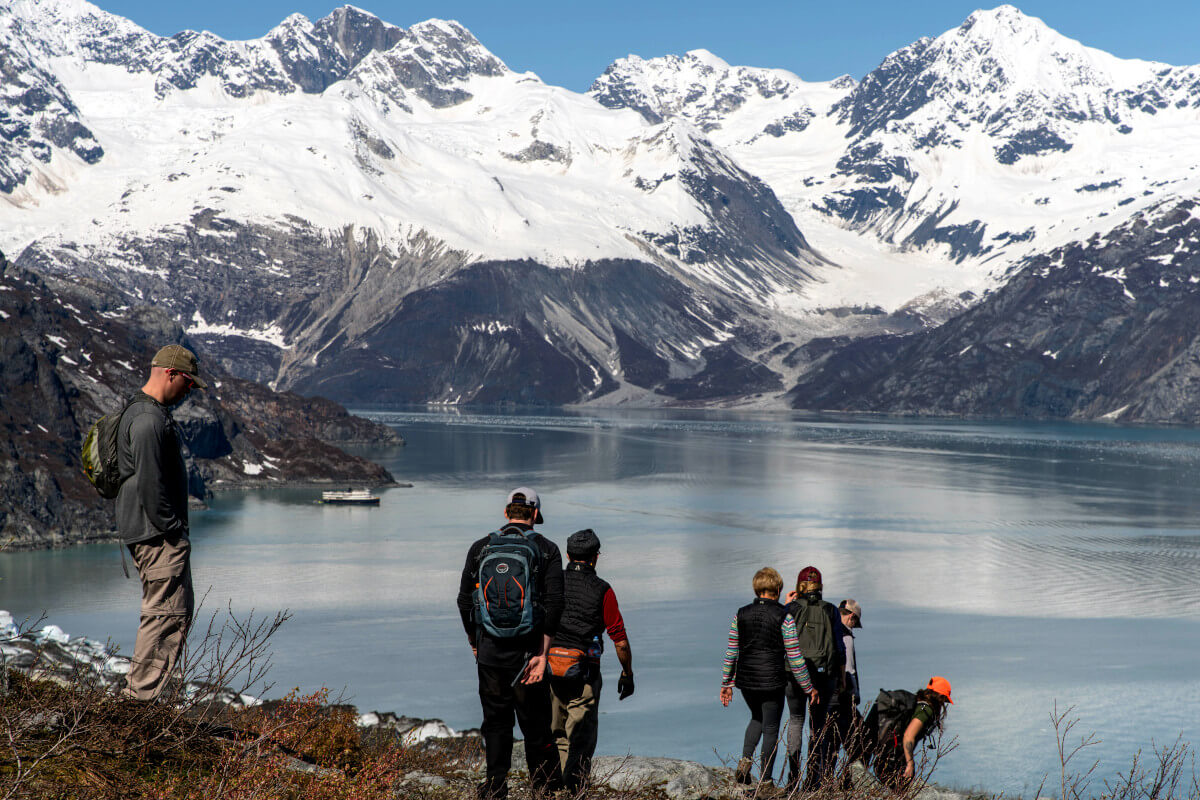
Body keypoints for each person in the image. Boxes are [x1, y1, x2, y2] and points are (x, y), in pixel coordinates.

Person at [457, 487, 565, 800]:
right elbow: (556, 604)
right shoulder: (547, 550)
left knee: (496, 722)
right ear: (534, 515)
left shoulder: (481, 547)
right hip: (528, 655)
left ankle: (495, 787)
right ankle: (544, 790)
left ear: (506, 513)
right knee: (536, 725)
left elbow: (465, 600)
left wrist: (474, 641)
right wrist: (543, 654)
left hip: (490, 653)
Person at [117, 344, 205, 700]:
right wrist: (173, 532)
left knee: (166, 614)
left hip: (147, 532)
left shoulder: (140, 411)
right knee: (166, 615)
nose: (189, 390)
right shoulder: (149, 421)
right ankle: (141, 704)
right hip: (158, 536)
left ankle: (142, 698)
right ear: (170, 373)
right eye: (187, 382)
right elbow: (152, 483)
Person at [547, 529, 635, 794]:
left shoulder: (553, 582)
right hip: (584, 673)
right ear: (595, 558)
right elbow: (619, 639)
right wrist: (627, 673)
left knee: (558, 734)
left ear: (567, 554)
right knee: (581, 740)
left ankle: (560, 788)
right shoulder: (603, 591)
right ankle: (575, 791)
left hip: (550, 669)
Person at [720, 567, 819, 791]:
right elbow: (795, 658)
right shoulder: (784, 617)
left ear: (757, 588)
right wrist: (808, 687)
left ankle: (745, 763)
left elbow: (731, 651)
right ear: (778, 588)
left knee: (756, 717)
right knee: (771, 727)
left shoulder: (741, 613)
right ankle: (765, 783)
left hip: (745, 681)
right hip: (772, 680)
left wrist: (726, 683)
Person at [782, 565, 847, 792]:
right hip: (824, 674)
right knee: (818, 725)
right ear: (820, 587)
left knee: (795, 720)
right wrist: (841, 676)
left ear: (799, 587)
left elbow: (782, 638)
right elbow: (839, 647)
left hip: (793, 674)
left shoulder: (790, 609)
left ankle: (792, 779)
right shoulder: (831, 610)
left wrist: (788, 603)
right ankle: (814, 781)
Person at [872, 677, 953, 790]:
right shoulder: (926, 710)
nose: (943, 704)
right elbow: (908, 736)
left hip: (885, 757)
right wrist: (910, 763)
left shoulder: (917, 702)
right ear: (940, 696)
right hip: (894, 761)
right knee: (901, 790)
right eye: (944, 699)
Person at [836, 599, 867, 774]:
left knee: (831, 741)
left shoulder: (830, 630)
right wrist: (854, 695)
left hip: (829, 694)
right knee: (859, 739)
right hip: (845, 697)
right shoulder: (846, 636)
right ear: (852, 617)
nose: (854, 626)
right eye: (855, 622)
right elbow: (849, 669)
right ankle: (850, 779)